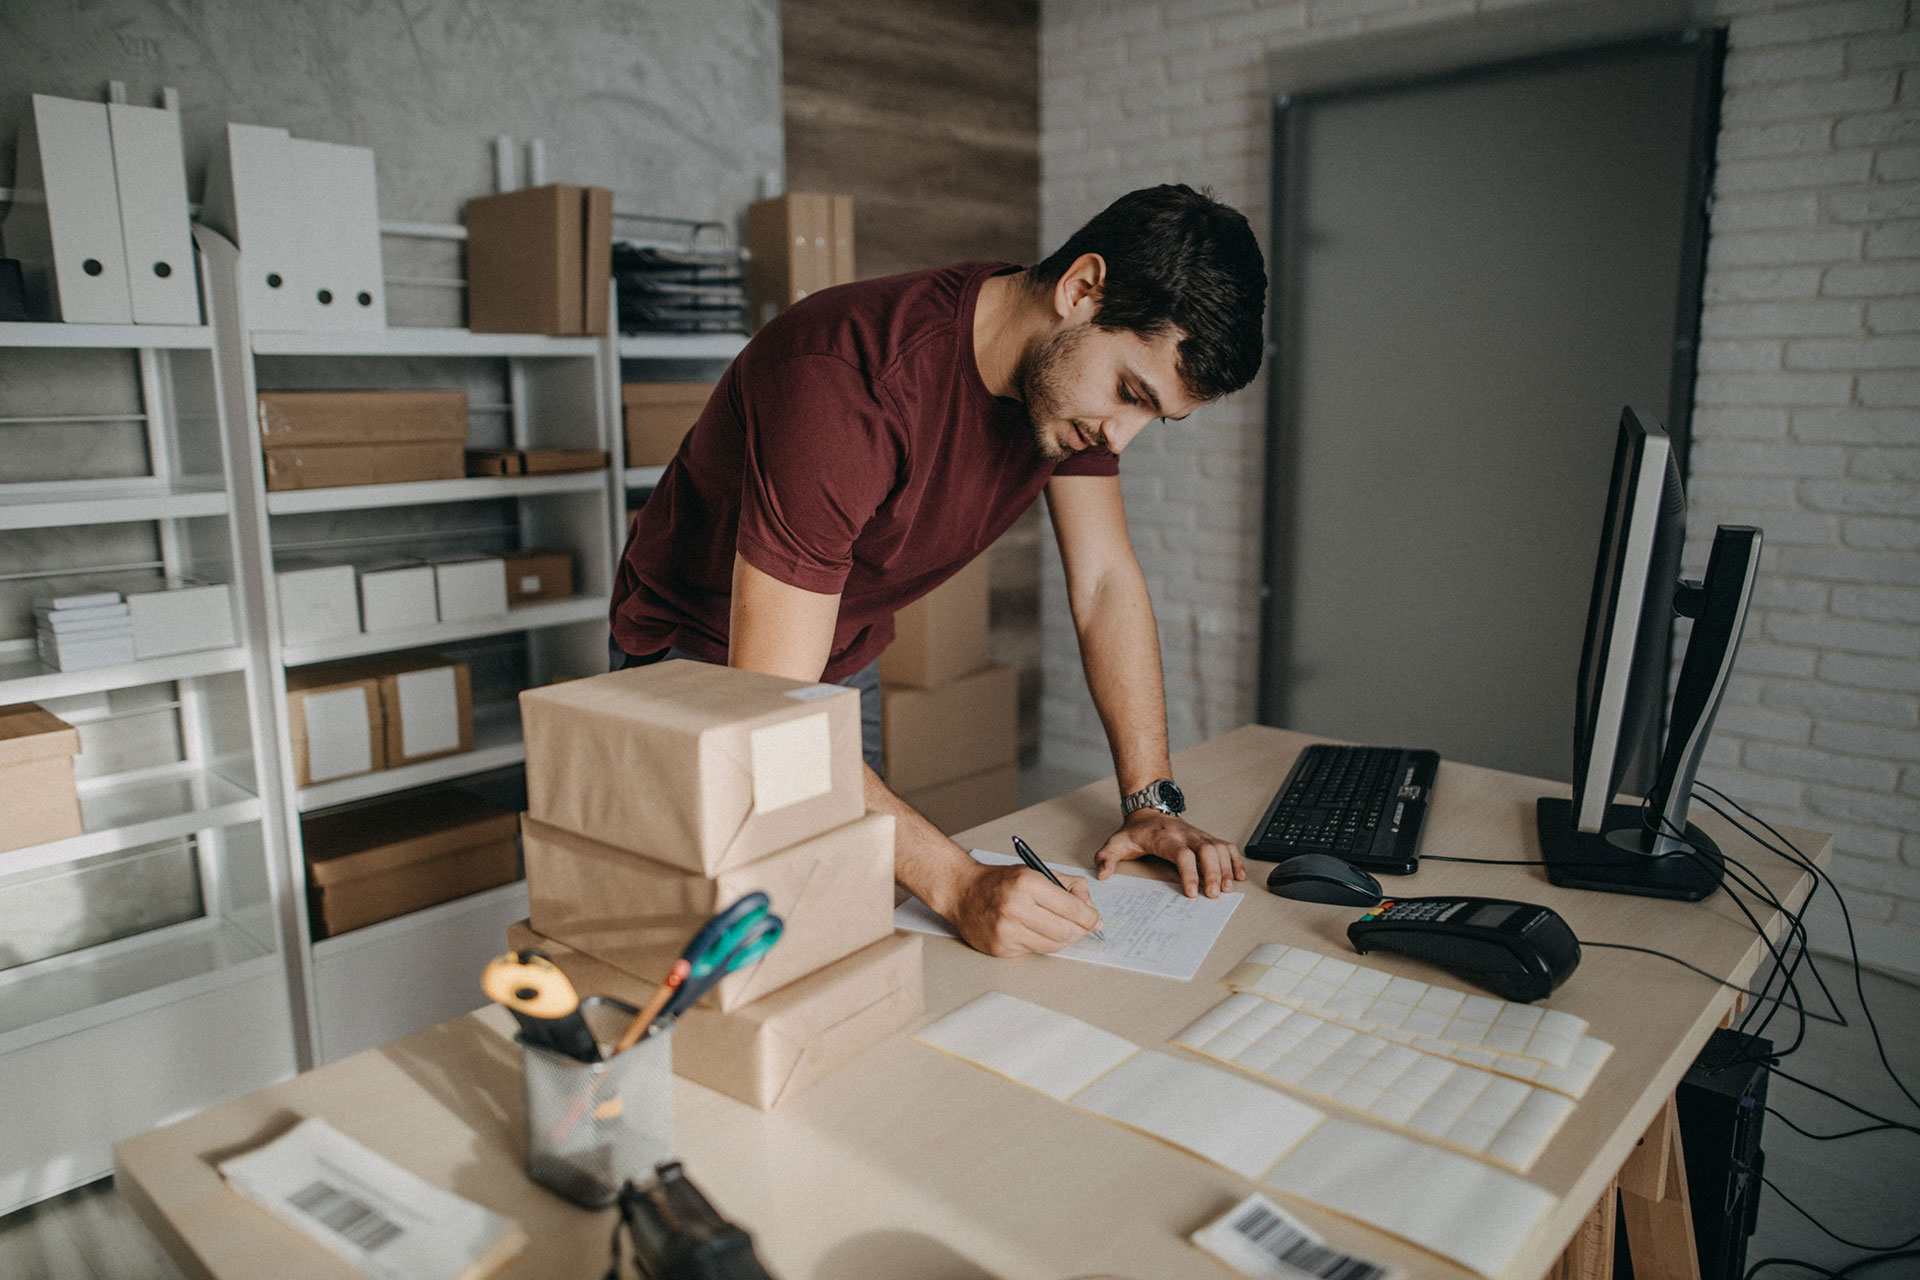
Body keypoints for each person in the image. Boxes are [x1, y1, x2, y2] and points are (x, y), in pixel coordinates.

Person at [611, 183, 1268, 958]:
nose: (1119, 439)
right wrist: (958, 883)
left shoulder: (1057, 379)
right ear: (1081, 290)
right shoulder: (849, 382)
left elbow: (1105, 585)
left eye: (1154, 417)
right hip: (695, 664)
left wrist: (1150, 800)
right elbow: (769, 712)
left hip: (836, 656)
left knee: (837, 928)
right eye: (1130, 394)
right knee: (707, 954)